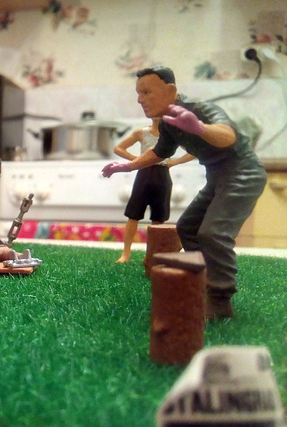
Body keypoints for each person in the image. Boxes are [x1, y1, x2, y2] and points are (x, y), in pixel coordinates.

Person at [102, 66, 267, 319]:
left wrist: (199, 127)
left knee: (213, 233)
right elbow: (160, 152)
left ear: (170, 91)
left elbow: (229, 136)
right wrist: (128, 166)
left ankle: (220, 299)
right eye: (138, 93)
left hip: (242, 175)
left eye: (146, 92)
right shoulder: (167, 123)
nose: (140, 99)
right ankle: (201, 281)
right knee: (188, 227)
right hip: (217, 179)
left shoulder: (199, 109)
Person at [112, 117, 194, 263]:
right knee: (133, 215)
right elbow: (118, 148)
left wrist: (174, 162)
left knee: (158, 218)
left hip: (162, 175)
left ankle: (152, 253)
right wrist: (138, 160)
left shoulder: (172, 133)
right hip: (144, 174)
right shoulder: (141, 132)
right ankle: (126, 253)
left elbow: (194, 151)